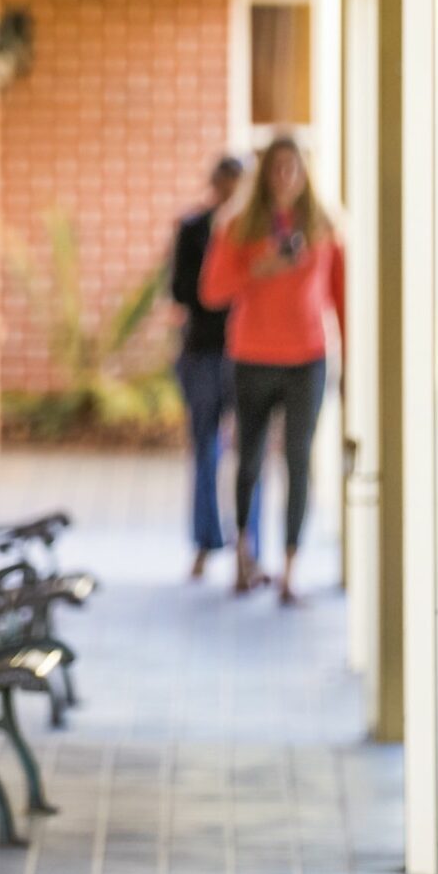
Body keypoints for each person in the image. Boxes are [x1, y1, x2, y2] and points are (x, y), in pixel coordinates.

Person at [199, 133, 344, 605]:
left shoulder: (324, 226)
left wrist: (352, 359)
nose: (285, 176)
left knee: (299, 461)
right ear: (264, 175)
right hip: (253, 356)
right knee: (250, 459)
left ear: (305, 174)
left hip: (307, 358)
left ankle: (291, 569)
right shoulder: (238, 225)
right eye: (277, 167)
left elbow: (341, 297)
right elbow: (212, 292)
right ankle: (244, 557)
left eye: (293, 167)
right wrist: (255, 270)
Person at [169, 154, 255, 580]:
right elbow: (183, 291)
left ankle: (248, 547)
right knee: (205, 449)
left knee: (250, 455)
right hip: (203, 352)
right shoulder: (192, 229)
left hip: (248, 353)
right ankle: (205, 542)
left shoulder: (257, 233)